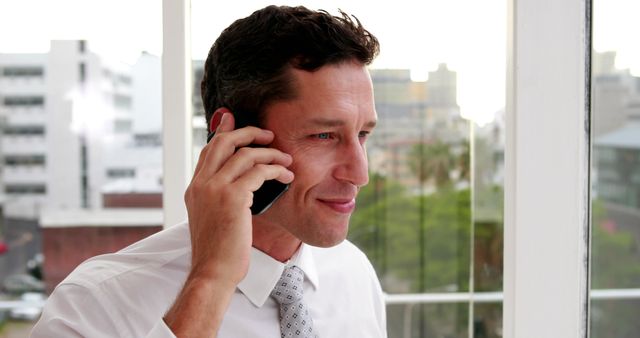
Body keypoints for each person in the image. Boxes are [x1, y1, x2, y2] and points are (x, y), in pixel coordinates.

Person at [32, 5, 386, 338]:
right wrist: (211, 280)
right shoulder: (94, 307)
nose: (359, 173)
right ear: (231, 137)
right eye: (323, 135)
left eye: (362, 134)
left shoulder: (353, 272)